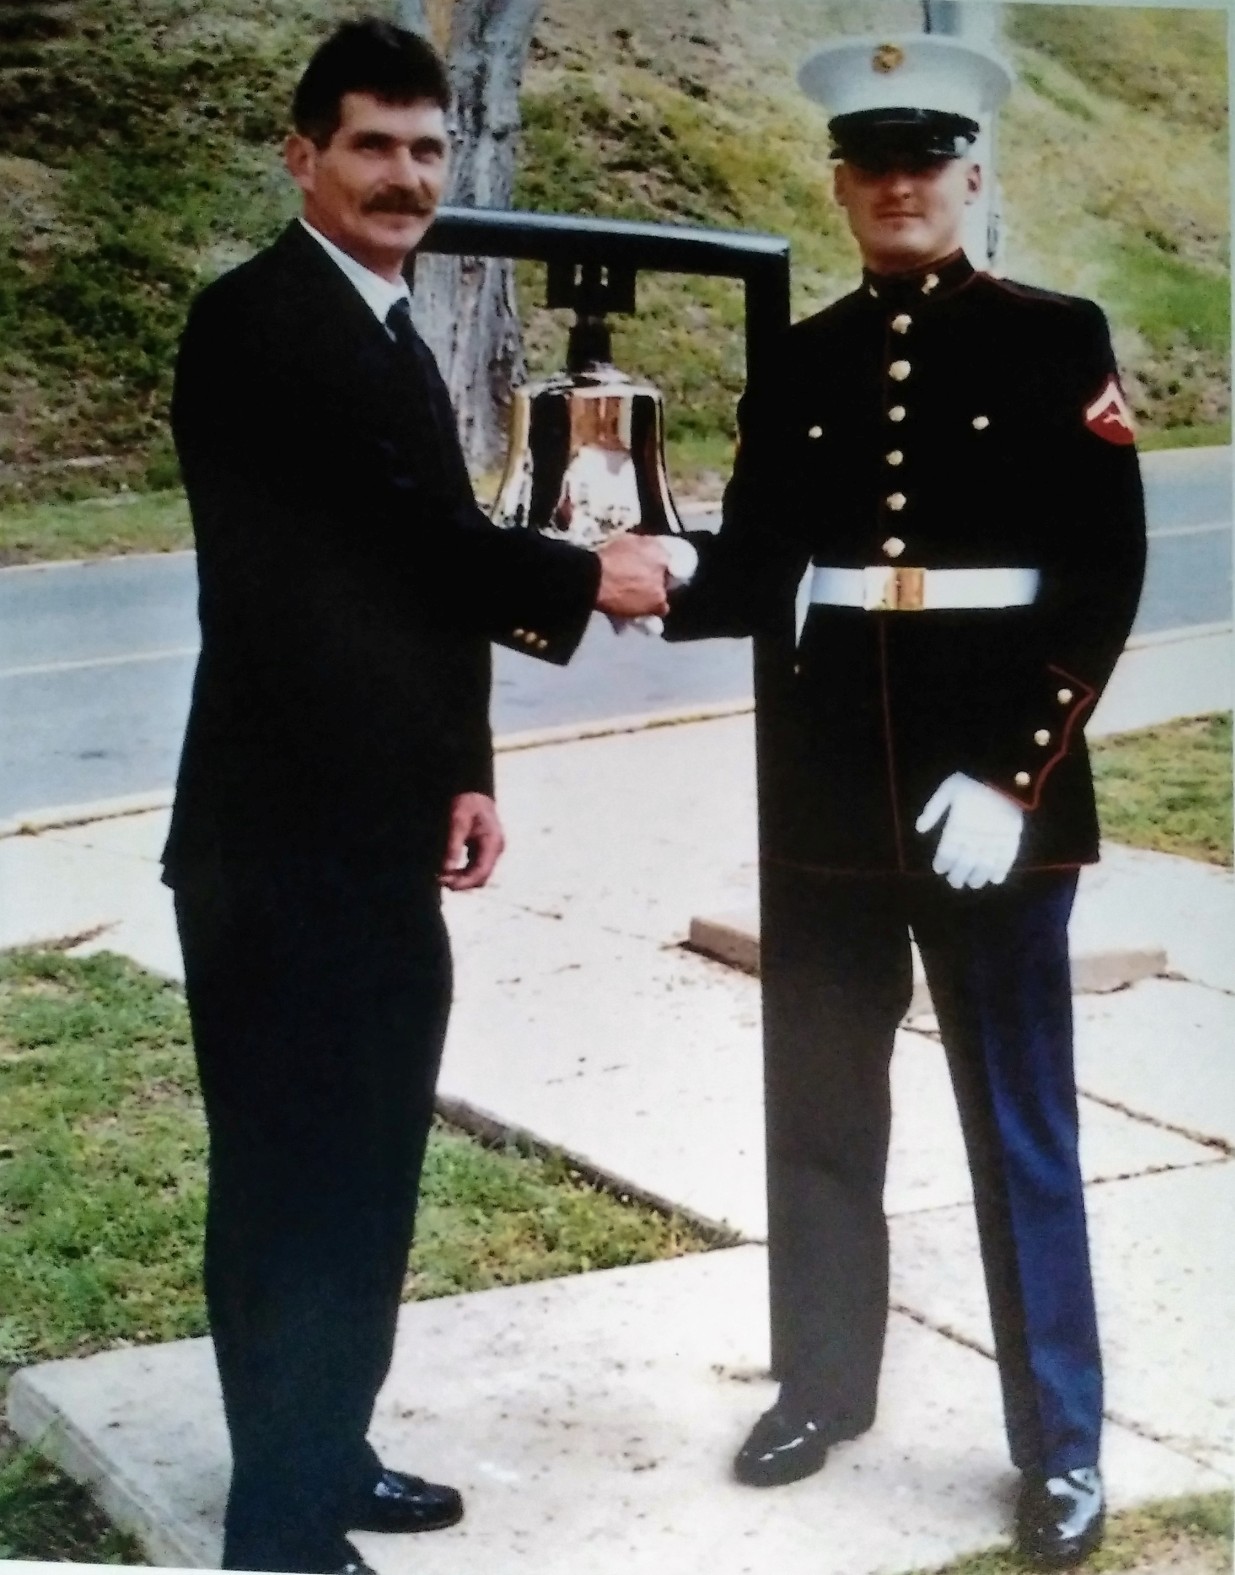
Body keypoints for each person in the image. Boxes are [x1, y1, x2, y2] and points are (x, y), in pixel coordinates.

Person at [164, 18, 669, 1574]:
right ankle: (278, 1528)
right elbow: (405, 546)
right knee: (295, 1182)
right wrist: (589, 573)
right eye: (373, 145)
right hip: (278, 847)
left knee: (367, 1166)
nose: (406, 176)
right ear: (302, 155)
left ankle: (326, 1451)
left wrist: (463, 768)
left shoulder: (382, 320)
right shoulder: (261, 323)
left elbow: (408, 595)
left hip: (369, 832)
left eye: (428, 149)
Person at [664, 34, 1145, 1570]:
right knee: (819, 1112)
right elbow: (755, 568)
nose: (897, 185)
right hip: (828, 798)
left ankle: (1061, 1446)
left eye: (924, 160)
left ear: (970, 175)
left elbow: (1102, 577)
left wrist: (1016, 775)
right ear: (838, 184)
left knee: (1019, 1130)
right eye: (871, 163)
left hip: (991, 794)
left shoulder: (1056, 339)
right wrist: (622, 563)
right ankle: (820, 1387)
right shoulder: (803, 359)